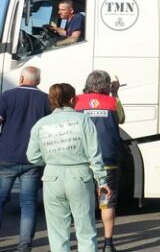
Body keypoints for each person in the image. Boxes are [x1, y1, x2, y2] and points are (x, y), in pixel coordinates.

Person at [26, 83, 111, 252]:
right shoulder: (83, 120)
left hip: (52, 175)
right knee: (86, 231)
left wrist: (51, 159)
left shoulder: (41, 124)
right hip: (80, 175)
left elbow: (32, 156)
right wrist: (102, 181)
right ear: (72, 99)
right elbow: (94, 154)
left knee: (57, 233)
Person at [0, 66, 50, 252]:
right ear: (38, 81)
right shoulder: (46, 100)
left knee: (0, 200)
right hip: (33, 159)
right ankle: (24, 246)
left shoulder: (7, 96)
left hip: (7, 155)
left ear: (21, 78)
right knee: (28, 203)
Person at [74, 70, 125, 252]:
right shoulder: (112, 102)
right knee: (106, 202)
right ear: (107, 85)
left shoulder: (76, 101)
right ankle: (108, 244)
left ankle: (86, 243)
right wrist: (115, 93)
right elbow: (121, 119)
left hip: (83, 161)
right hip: (107, 161)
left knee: (84, 202)